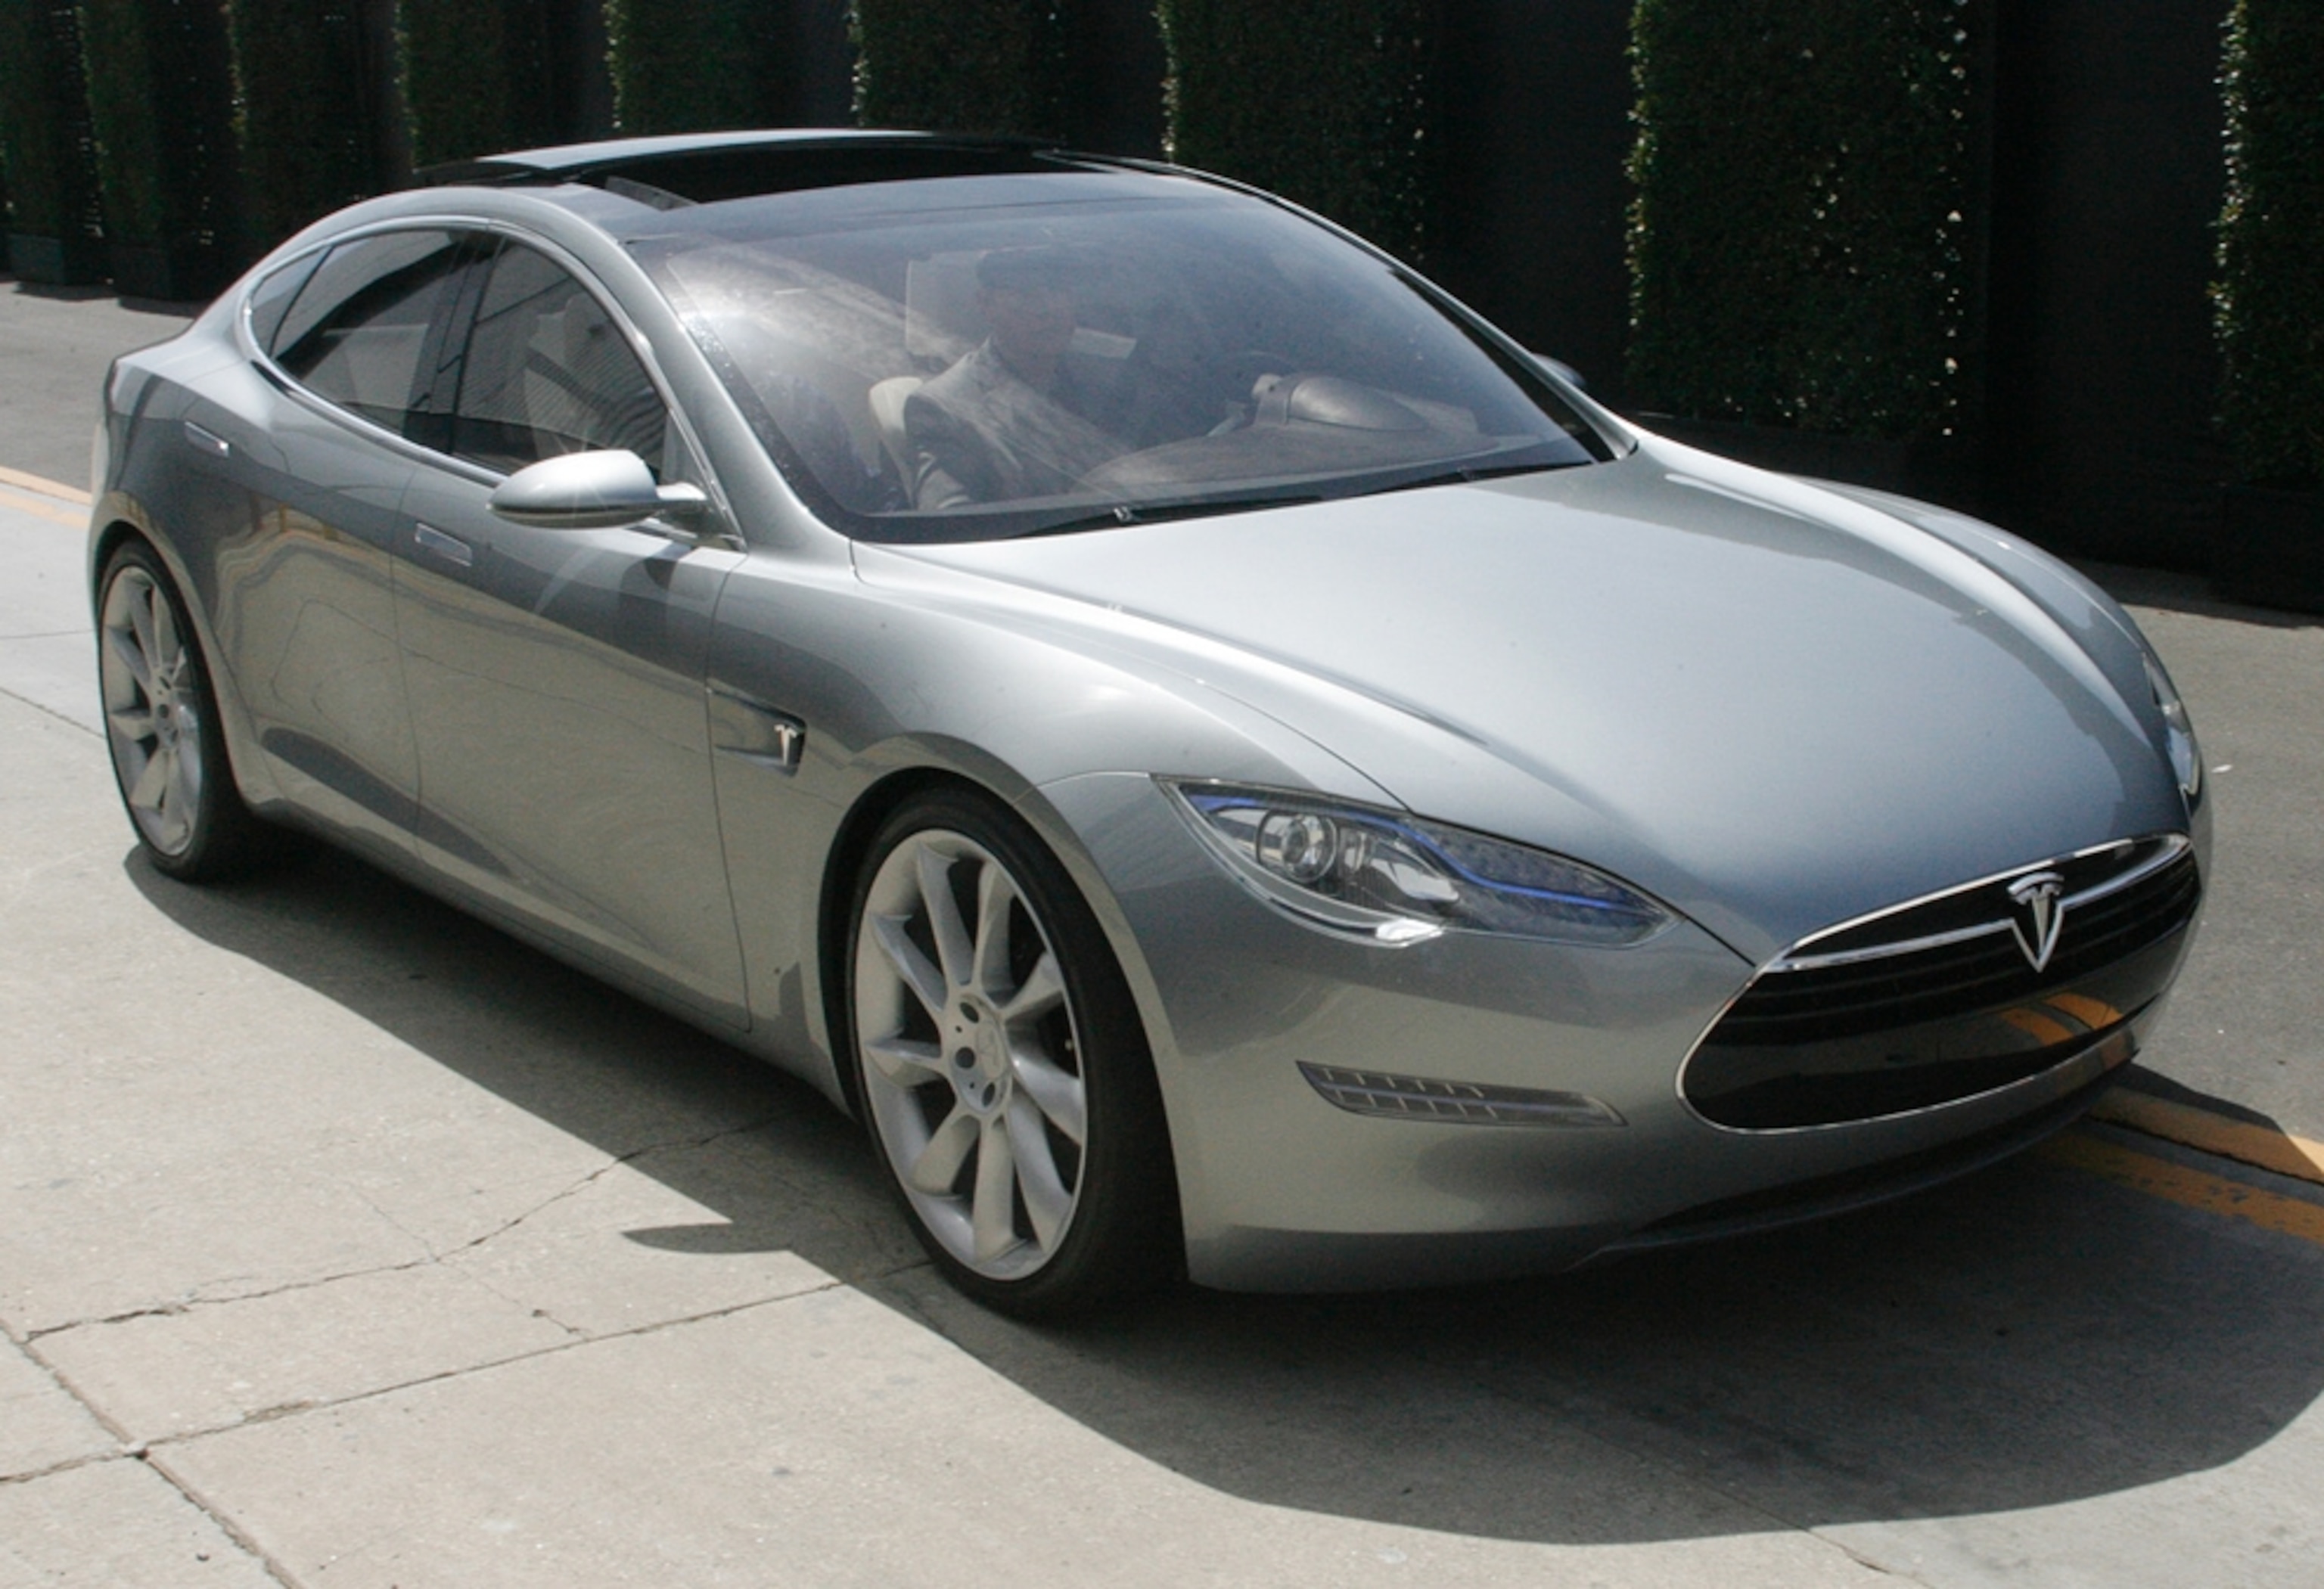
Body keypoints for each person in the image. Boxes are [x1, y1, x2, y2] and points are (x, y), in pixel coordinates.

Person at [905, 247, 1126, 508]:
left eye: (1058, 291)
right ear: (985, 304)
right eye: (1025, 296)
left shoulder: (1113, 375)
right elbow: (952, 522)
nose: (1048, 309)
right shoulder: (947, 407)